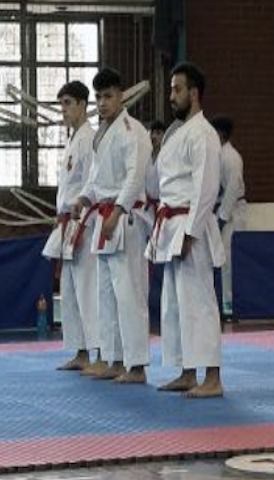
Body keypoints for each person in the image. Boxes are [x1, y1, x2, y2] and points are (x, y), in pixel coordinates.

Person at [146, 61, 225, 398]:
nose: (171, 96)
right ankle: (187, 370)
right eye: (171, 89)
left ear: (194, 94)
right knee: (175, 304)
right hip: (171, 224)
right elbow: (159, 184)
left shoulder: (204, 134)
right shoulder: (178, 133)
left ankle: (213, 378)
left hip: (191, 227)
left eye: (177, 90)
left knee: (200, 301)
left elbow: (207, 189)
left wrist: (191, 233)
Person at [72, 67, 152, 384]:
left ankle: (137, 366)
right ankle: (112, 358)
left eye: (108, 96)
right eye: (98, 98)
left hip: (125, 219)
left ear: (121, 96)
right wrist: (82, 199)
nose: (103, 103)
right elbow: (94, 180)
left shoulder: (134, 131)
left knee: (129, 293)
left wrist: (117, 212)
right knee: (106, 294)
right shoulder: (103, 134)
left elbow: (134, 177)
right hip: (104, 219)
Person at [41, 81, 104, 372]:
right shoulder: (72, 140)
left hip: (85, 221)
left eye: (67, 103)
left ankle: (99, 352)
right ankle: (79, 352)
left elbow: (93, 181)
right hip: (68, 222)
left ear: (81, 104)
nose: (63, 110)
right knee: (69, 290)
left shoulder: (90, 139)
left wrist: (79, 204)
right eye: (61, 104)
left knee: (88, 289)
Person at [211, 114, 246, 315]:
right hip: (224, 208)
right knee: (222, 258)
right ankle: (225, 302)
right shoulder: (221, 155)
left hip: (232, 211)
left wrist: (222, 218)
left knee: (228, 259)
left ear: (221, 134)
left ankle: (229, 304)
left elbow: (232, 189)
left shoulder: (230, 157)